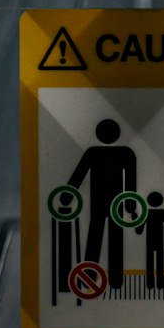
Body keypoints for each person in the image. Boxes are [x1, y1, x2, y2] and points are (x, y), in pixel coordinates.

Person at [67, 118, 136, 289]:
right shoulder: (126, 154)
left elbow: (77, 176)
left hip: (99, 204)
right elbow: (131, 182)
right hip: (116, 205)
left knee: (94, 239)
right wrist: (130, 205)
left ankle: (88, 277)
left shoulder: (93, 153)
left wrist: (67, 198)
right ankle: (116, 279)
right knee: (114, 240)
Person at [137, 190, 164, 290]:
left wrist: (134, 218)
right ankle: (159, 284)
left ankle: (150, 284)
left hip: (150, 242)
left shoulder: (147, 213)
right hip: (159, 243)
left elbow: (139, 231)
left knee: (150, 263)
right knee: (159, 263)